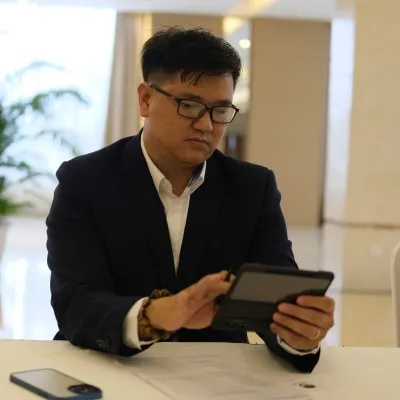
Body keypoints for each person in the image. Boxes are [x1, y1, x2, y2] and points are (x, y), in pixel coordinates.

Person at [46, 26, 335, 374]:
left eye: (220, 110)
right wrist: (156, 315)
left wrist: (300, 334)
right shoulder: (85, 181)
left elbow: (274, 303)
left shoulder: (252, 187)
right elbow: (76, 303)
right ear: (145, 99)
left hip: (215, 378)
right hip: (108, 370)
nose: (206, 125)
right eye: (190, 105)